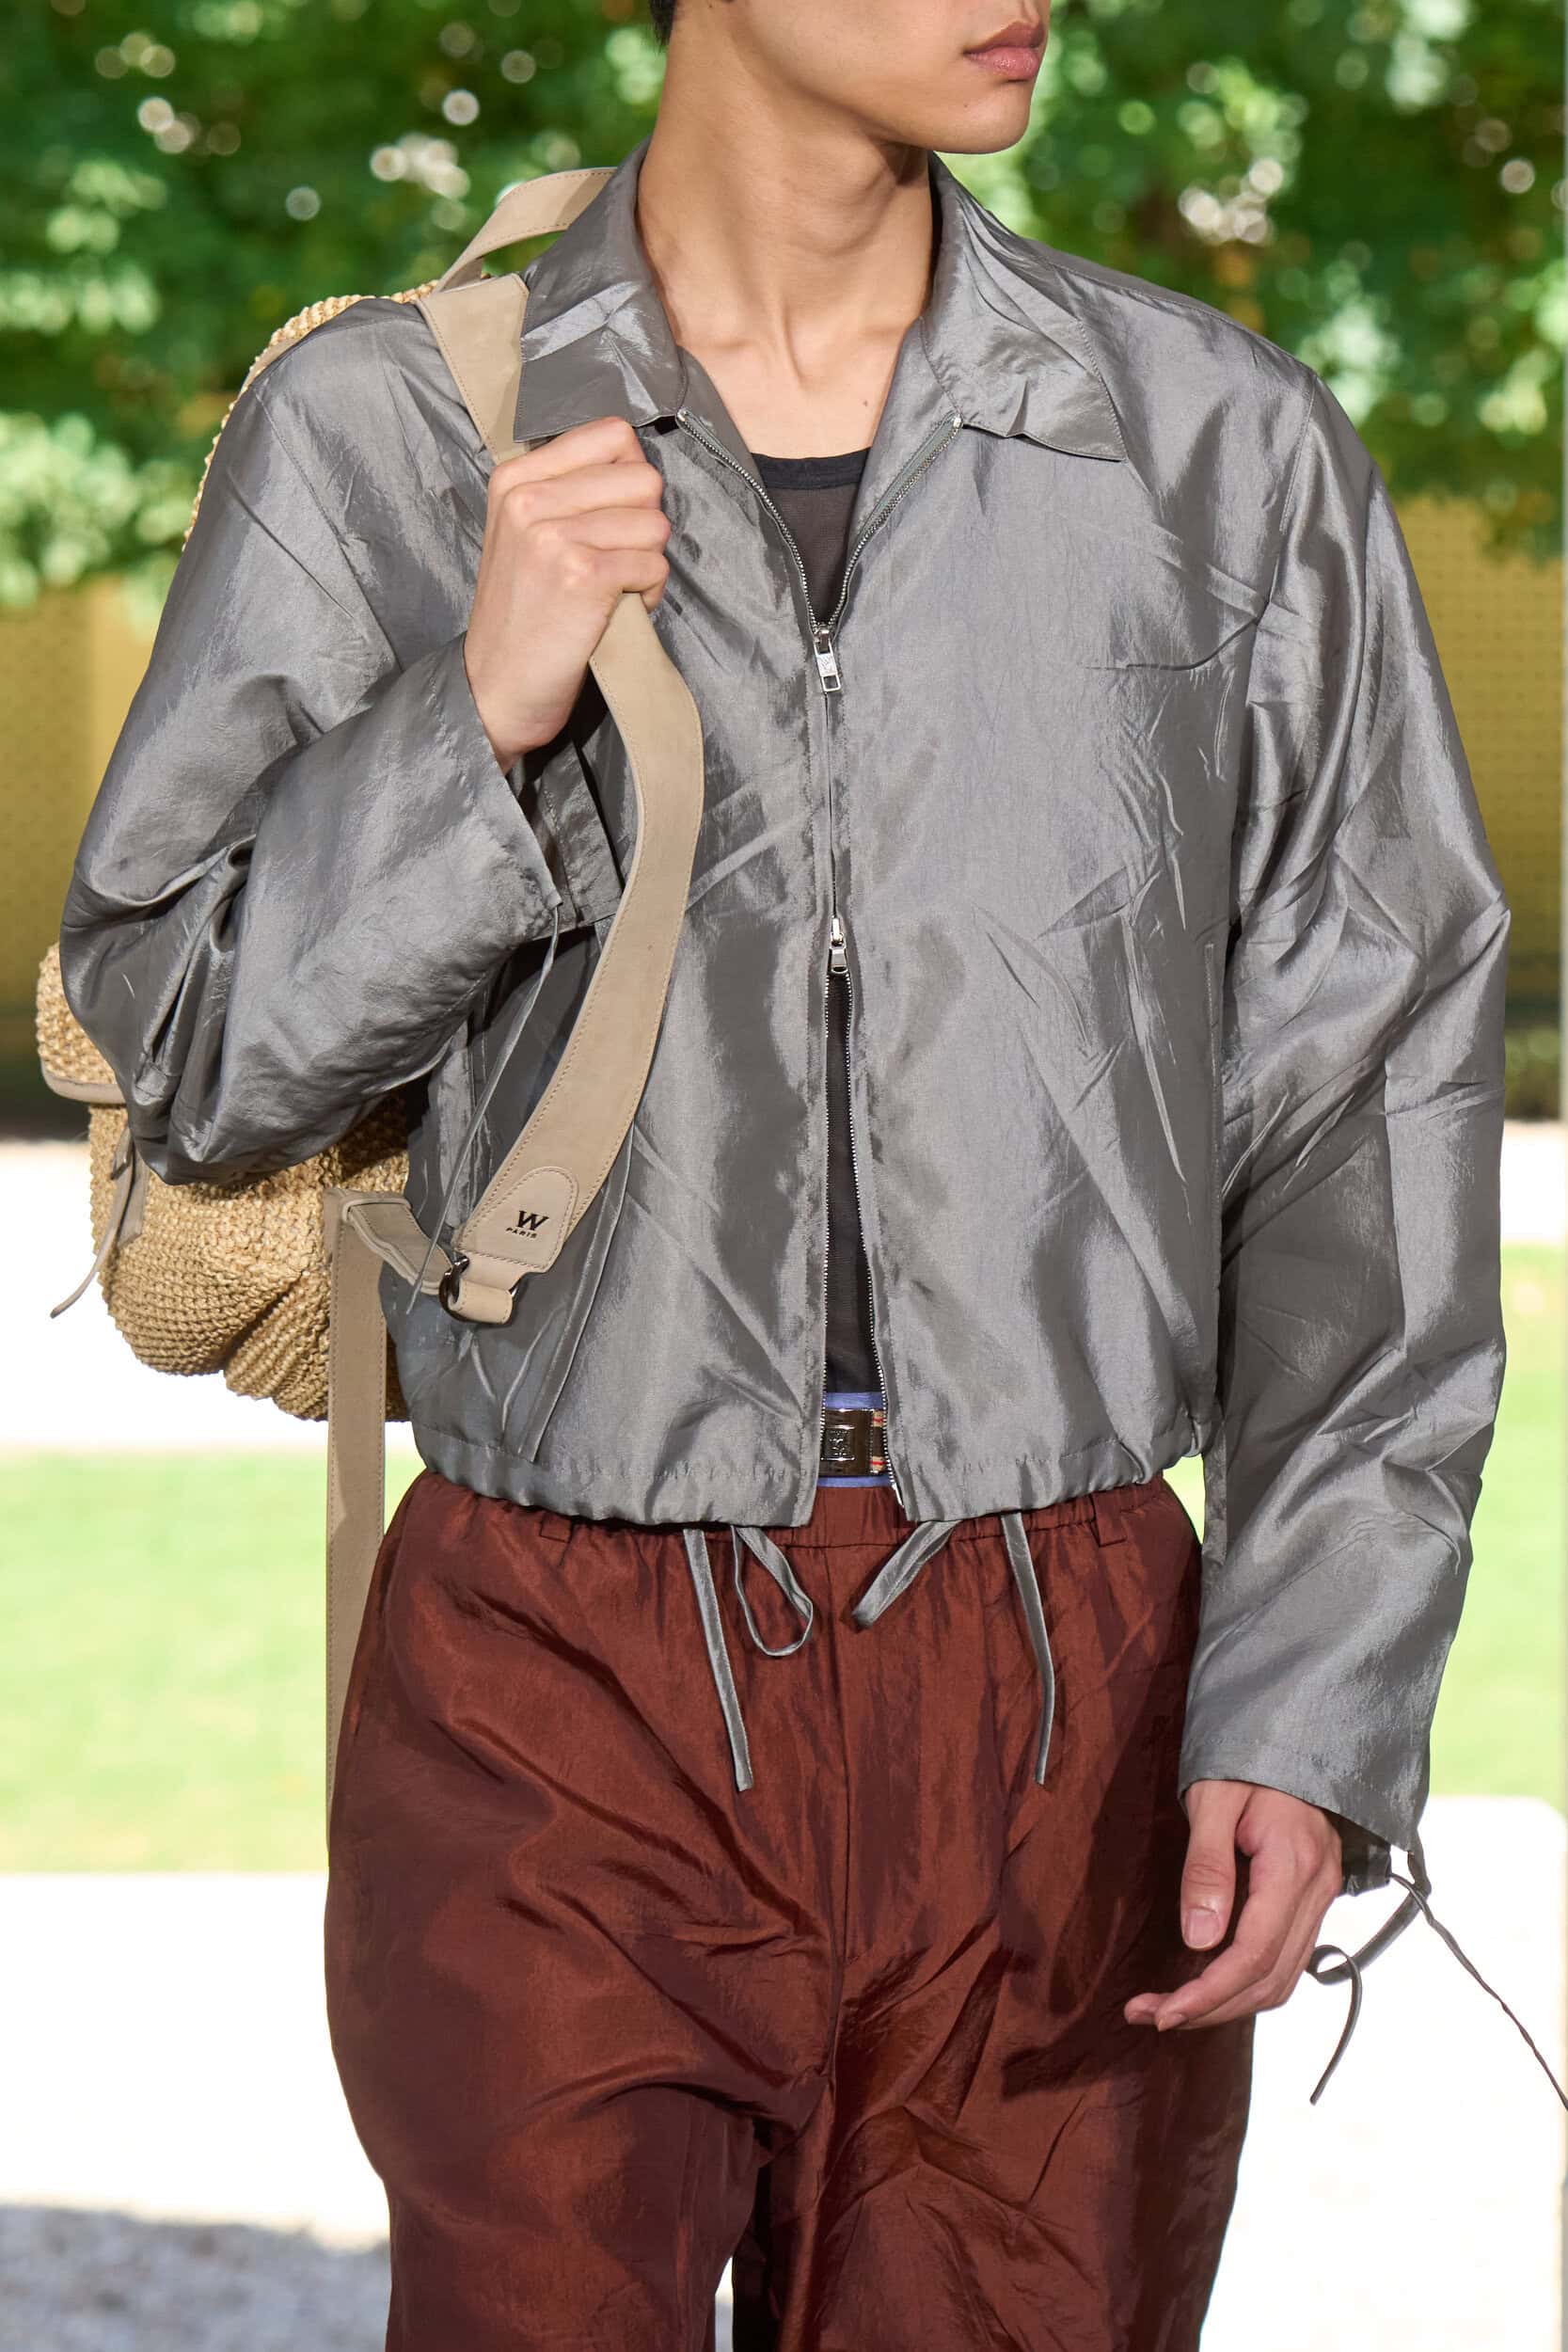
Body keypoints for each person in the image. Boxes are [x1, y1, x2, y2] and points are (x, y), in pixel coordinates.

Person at [56, 1, 1513, 2344]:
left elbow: (1369, 1108)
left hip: (1069, 1681)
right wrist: (481, 710)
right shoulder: (391, 429)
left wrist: (1312, 1690)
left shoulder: (1213, 448)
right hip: (555, 1665)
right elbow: (190, 1057)